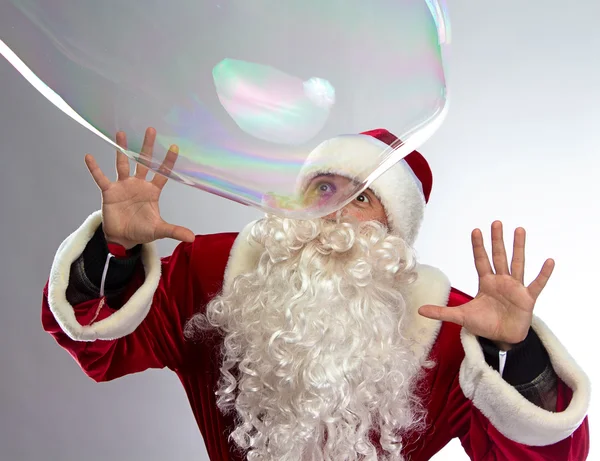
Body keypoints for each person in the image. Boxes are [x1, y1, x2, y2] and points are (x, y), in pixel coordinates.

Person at [42, 127, 590, 461]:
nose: (333, 209)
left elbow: (543, 459)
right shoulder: (215, 273)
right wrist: (114, 251)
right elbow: (101, 346)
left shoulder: (448, 333)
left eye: (363, 198)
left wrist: (516, 355)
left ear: (392, 235)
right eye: (324, 188)